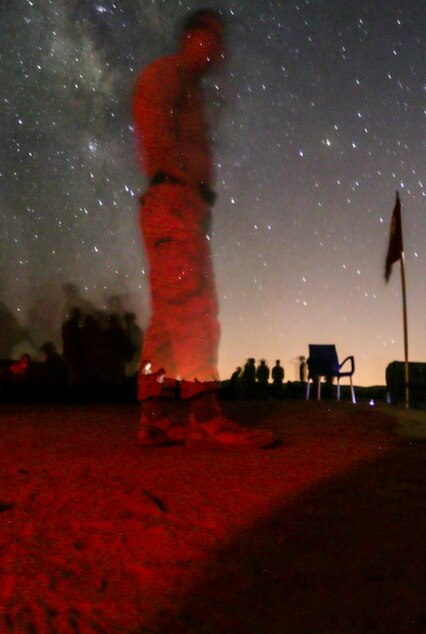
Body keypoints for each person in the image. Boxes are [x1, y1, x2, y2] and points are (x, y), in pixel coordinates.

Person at [133, 9, 274, 447]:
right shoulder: (168, 76)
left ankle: (154, 416)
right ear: (192, 37)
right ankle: (205, 412)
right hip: (174, 201)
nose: (220, 50)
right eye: (213, 39)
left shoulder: (186, 86)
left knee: (168, 314)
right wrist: (185, 190)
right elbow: (157, 134)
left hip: (174, 202)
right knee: (193, 302)